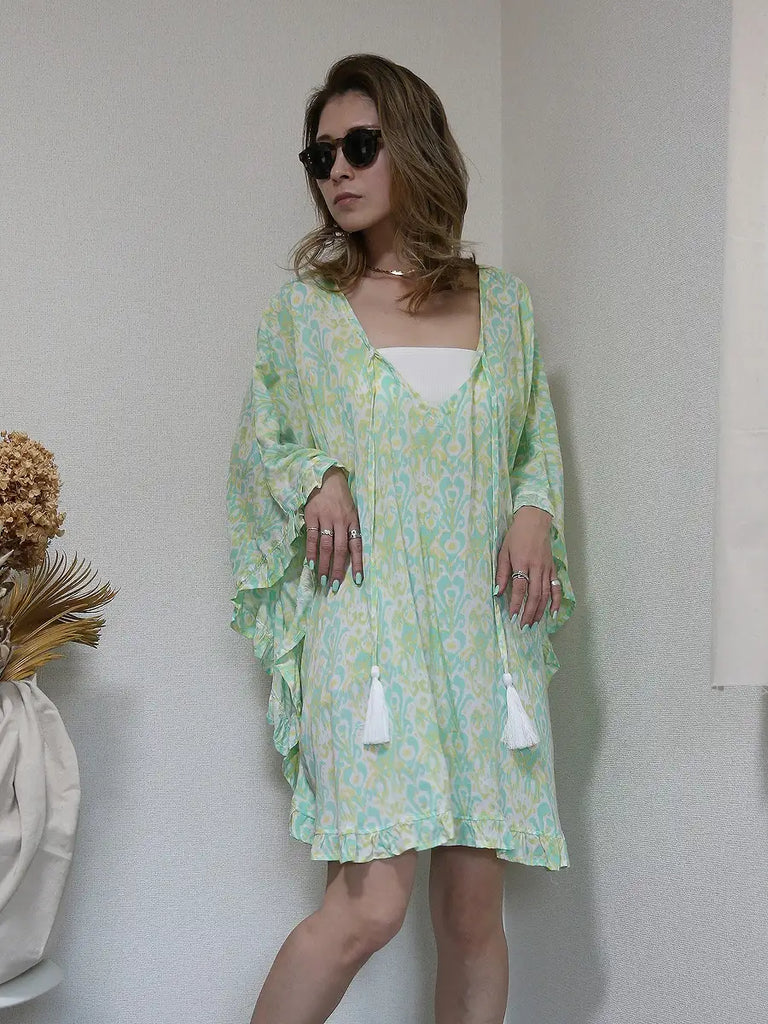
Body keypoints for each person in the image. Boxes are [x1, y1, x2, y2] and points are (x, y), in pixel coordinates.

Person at [226, 52, 576, 1024]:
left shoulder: (505, 305)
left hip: (481, 633)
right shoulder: (303, 318)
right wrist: (317, 473)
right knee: (368, 908)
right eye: (320, 154)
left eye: (359, 145)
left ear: (412, 145)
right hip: (367, 632)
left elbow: (531, 444)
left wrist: (535, 509)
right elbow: (261, 449)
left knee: (471, 914)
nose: (336, 169)